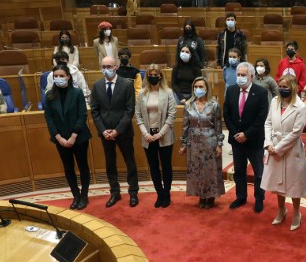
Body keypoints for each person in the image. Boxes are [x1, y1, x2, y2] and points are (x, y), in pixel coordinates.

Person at [90, 56, 139, 208]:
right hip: (105, 133)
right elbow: (95, 111)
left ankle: (133, 193)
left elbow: (130, 110)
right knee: (110, 163)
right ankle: (115, 193)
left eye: (109, 66)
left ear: (116, 66)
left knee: (130, 162)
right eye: (104, 66)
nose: (107, 69)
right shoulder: (97, 86)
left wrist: (118, 130)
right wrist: (103, 130)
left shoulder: (126, 84)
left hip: (123, 132)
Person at [262, 74, 306, 230]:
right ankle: (281, 210)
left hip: (291, 150)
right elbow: (268, 123)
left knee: (293, 183)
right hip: (273, 146)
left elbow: (296, 132)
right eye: (280, 86)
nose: (282, 89)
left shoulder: (300, 106)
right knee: (277, 182)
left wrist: (279, 148)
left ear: (293, 88)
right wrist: (268, 143)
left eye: (285, 87)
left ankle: (296, 213)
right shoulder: (275, 101)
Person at [43, 64, 92, 210]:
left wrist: (73, 136)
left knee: (83, 167)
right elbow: (49, 118)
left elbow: (82, 115)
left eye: (61, 76)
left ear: (68, 77)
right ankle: (75, 195)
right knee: (68, 168)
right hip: (60, 139)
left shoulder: (77, 93)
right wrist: (58, 137)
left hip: (79, 137)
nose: (59, 79)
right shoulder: (49, 95)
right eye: (56, 76)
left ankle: (84, 195)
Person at [223, 62, 269, 212]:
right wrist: (237, 133)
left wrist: (246, 134)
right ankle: (241, 197)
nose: (240, 77)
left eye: (244, 75)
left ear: (251, 76)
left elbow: (261, 118)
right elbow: (227, 114)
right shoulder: (231, 91)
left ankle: (259, 199)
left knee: (258, 173)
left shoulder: (261, 92)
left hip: (254, 140)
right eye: (238, 75)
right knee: (239, 171)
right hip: (237, 141)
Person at [179, 77, 225, 208]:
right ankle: (200, 195)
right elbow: (185, 126)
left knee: (209, 170)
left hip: (209, 140)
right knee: (196, 169)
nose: (198, 89)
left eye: (201, 87)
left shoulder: (214, 105)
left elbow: (218, 126)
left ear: (206, 89)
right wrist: (183, 144)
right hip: (193, 142)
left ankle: (210, 196)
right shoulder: (188, 104)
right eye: (195, 87)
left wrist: (219, 145)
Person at [135, 64, 176, 208]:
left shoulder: (168, 92)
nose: (153, 77)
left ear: (160, 76)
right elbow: (138, 116)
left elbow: (171, 115)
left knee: (166, 166)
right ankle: (159, 193)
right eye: (150, 75)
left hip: (164, 135)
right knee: (153, 166)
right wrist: (146, 133)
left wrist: (160, 133)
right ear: (147, 76)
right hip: (148, 136)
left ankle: (167, 193)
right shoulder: (142, 93)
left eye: (155, 74)